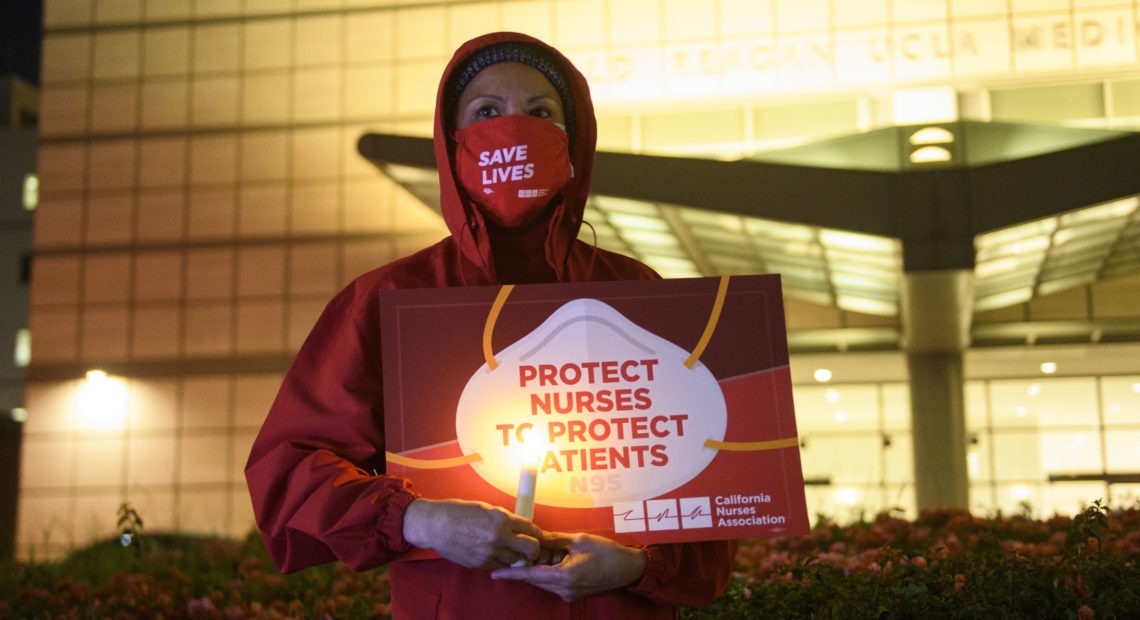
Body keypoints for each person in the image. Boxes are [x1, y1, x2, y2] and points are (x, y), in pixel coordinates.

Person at [245, 31, 736, 618]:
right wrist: (419, 519)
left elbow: (708, 508)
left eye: (540, 112)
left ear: (573, 141)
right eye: (487, 111)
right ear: (454, 144)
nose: (515, 127)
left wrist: (637, 566)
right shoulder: (390, 299)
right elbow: (290, 468)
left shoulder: (638, 295)